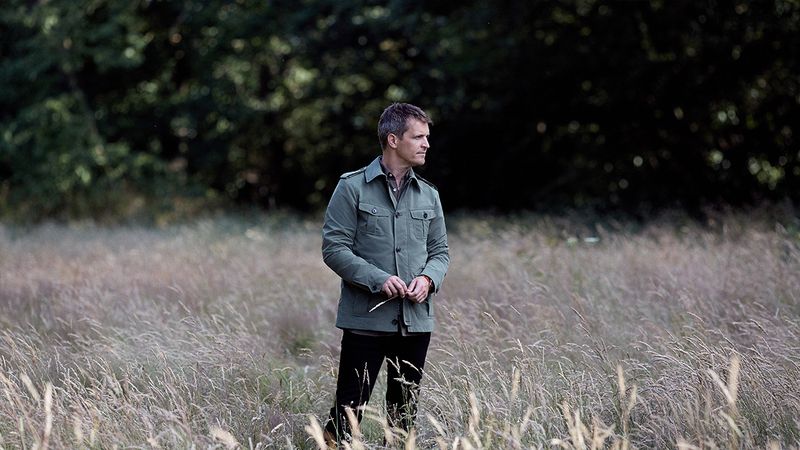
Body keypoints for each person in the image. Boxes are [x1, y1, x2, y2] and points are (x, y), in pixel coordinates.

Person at [321, 103, 450, 445]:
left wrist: (428, 280)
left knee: (404, 415)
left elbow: (440, 252)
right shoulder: (351, 187)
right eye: (418, 137)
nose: (426, 144)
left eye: (426, 137)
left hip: (415, 321)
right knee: (348, 410)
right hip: (366, 319)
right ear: (393, 140)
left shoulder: (430, 195)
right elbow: (334, 249)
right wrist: (378, 279)